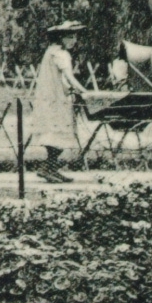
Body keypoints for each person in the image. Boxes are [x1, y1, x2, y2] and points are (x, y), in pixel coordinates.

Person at [28, 20, 89, 182]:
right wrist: (85, 91)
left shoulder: (50, 52)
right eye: (70, 37)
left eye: (74, 37)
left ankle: (51, 168)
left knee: (55, 136)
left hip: (50, 99)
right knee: (58, 136)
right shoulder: (60, 54)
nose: (73, 40)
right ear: (61, 37)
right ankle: (48, 168)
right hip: (55, 100)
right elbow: (69, 77)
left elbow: (62, 79)